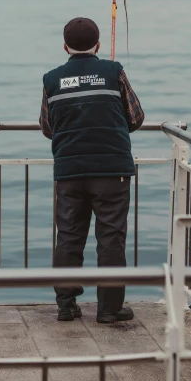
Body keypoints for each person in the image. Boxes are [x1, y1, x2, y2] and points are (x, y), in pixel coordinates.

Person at [39, 17, 144, 323]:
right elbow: (135, 117)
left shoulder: (51, 79)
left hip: (70, 170)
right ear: (98, 45)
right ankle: (109, 309)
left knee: (69, 236)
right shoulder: (113, 71)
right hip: (112, 169)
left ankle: (66, 305)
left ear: (65, 46)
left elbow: (48, 128)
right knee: (111, 238)